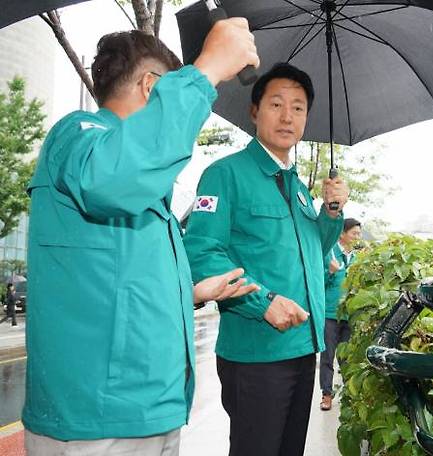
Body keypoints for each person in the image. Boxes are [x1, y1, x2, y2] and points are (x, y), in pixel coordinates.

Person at [22, 19, 260, 456]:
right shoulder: (79, 136)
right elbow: (112, 179)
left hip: (146, 411)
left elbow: (114, 283)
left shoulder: (138, 178)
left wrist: (189, 293)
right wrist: (206, 69)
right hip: (99, 423)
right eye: (172, 89)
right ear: (152, 87)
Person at [183, 62, 350, 456]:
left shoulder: (299, 188)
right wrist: (263, 303)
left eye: (298, 107)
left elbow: (317, 249)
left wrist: (331, 212)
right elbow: (202, 253)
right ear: (254, 111)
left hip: (303, 348)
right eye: (276, 104)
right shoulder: (224, 175)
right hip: (256, 352)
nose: (287, 116)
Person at [319, 218, 361, 411]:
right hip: (330, 314)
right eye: (354, 233)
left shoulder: (357, 259)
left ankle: (348, 395)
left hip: (349, 314)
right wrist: (329, 271)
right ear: (342, 233)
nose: (357, 237)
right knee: (328, 356)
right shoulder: (329, 253)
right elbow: (318, 281)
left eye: (359, 233)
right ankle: (326, 395)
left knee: (346, 357)